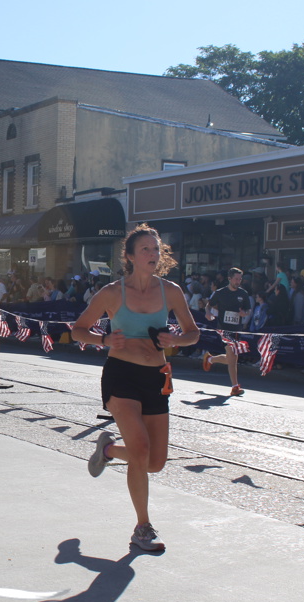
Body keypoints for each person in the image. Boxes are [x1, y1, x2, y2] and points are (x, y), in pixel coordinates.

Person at [74, 224, 199, 551]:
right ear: (130, 256)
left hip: (156, 376)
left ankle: (108, 450)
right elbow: (78, 330)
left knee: (154, 462)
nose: (153, 254)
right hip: (122, 375)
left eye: (156, 249)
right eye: (145, 249)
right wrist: (104, 339)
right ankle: (143, 527)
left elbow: (193, 334)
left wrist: (175, 340)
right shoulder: (112, 293)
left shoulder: (171, 291)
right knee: (141, 450)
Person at [202, 267, 252, 396]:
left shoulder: (243, 294)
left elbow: (248, 309)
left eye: (240, 279)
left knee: (232, 359)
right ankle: (235, 387)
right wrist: (208, 313)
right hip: (224, 330)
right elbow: (208, 305)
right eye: (236, 279)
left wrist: (244, 313)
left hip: (237, 330)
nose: (238, 281)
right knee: (233, 357)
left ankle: (211, 359)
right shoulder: (220, 293)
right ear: (229, 279)